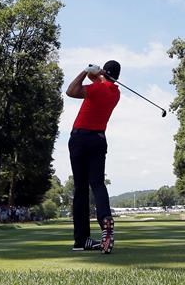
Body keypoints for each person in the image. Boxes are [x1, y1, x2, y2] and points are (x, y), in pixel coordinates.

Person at [66, 60, 121, 254]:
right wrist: (97, 73)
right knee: (97, 184)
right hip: (99, 139)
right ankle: (105, 218)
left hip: (80, 138)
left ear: (104, 72)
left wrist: (84, 71)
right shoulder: (115, 93)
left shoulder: (96, 89)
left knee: (80, 189)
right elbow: (99, 81)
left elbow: (71, 91)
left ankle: (81, 240)